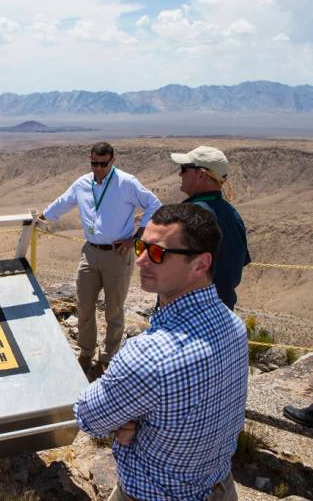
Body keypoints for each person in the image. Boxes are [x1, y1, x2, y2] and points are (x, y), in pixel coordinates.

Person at [74, 203, 248, 501]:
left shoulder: (148, 356)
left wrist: (127, 423)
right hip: (220, 487)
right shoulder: (233, 325)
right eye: (140, 246)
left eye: (157, 253)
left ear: (200, 264)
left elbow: (89, 416)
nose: (141, 260)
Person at [40, 142, 161, 374]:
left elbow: (154, 204)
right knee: (84, 305)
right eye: (94, 163)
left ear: (112, 160)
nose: (98, 168)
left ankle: (108, 357)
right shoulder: (82, 183)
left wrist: (136, 237)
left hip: (118, 254)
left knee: (114, 309)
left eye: (103, 164)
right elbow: (63, 202)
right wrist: (41, 218)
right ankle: (86, 352)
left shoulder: (126, 182)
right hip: (90, 251)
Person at [171, 145, 250, 309]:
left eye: (184, 169)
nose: (180, 174)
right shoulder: (233, 215)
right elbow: (234, 270)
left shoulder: (187, 215)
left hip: (186, 312)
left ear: (201, 175)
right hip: (222, 312)